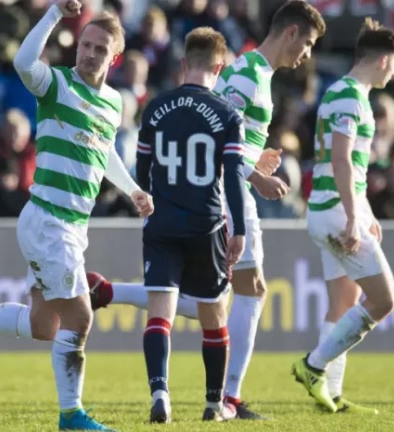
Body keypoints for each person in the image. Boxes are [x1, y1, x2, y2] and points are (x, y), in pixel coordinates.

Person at [0, 1, 153, 430]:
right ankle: (71, 415)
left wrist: (132, 188)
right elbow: (23, 61)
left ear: (114, 58)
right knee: (80, 318)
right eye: (86, 45)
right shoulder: (56, 84)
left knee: (44, 327)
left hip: (71, 227)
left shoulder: (113, 102)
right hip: (48, 222)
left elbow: (104, 150)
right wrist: (55, 13)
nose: (90, 54)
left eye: (100, 49)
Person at [90, 0, 325, 419]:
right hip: (220, 199)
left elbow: (230, 141)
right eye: (306, 42)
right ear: (290, 33)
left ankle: (112, 293)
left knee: (217, 297)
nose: (307, 54)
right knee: (242, 294)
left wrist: (256, 161)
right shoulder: (248, 76)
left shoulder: (255, 75)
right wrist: (256, 176)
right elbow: (215, 138)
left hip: (204, 200)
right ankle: (227, 398)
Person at [291, 18, 394, 413]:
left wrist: (366, 211)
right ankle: (314, 366)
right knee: (385, 300)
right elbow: (340, 160)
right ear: (384, 59)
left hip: (329, 209)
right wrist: (354, 218)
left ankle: (332, 396)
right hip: (336, 213)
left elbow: (350, 167)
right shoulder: (351, 98)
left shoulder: (345, 92)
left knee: (344, 301)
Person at [134, 26, 248, 423]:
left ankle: (160, 392)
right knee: (214, 318)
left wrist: (147, 201)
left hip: (162, 224)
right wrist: (242, 229)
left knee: (159, 315)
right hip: (207, 226)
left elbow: (142, 169)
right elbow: (233, 177)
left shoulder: (155, 107)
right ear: (220, 67)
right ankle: (214, 403)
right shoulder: (228, 115)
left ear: (184, 63)